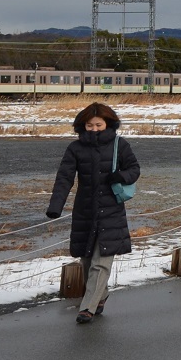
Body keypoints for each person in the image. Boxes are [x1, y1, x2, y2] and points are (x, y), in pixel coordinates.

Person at [46, 101, 141, 324]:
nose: (95, 129)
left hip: (111, 211)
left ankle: (87, 308)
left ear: (108, 123)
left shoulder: (120, 144)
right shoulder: (75, 148)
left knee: (102, 261)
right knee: (87, 260)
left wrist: (120, 176)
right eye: (90, 125)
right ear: (82, 125)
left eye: (98, 124)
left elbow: (134, 169)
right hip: (85, 211)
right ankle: (101, 295)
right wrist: (55, 206)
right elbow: (64, 178)